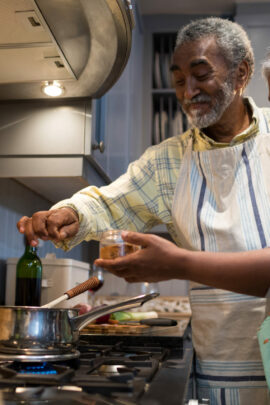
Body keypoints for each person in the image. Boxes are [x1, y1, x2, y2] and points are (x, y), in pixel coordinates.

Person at [17, 18, 270, 404]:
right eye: (179, 79)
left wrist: (176, 263)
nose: (188, 92)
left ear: (242, 73)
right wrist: (72, 213)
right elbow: (110, 202)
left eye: (201, 75)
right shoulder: (169, 161)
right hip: (220, 370)